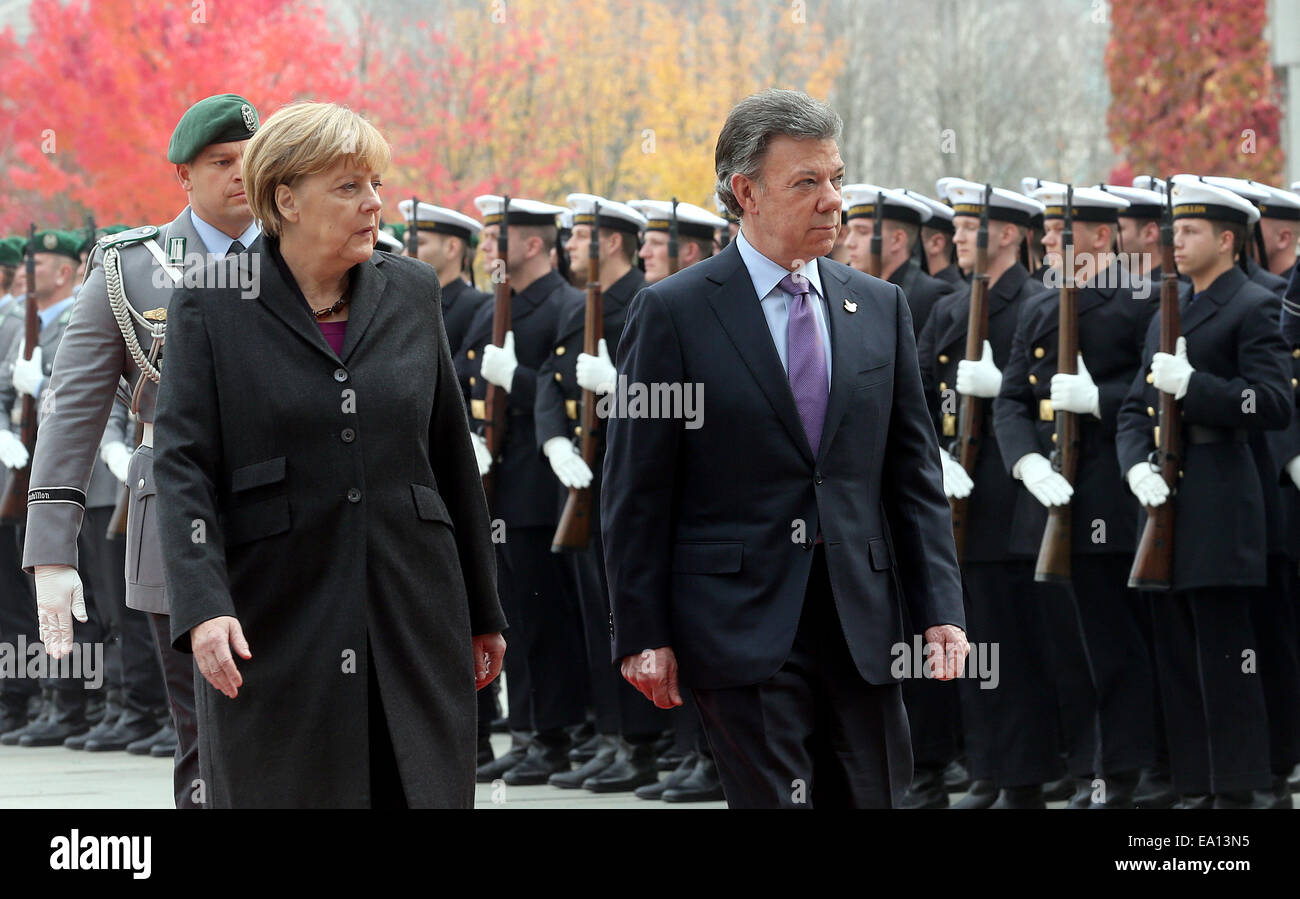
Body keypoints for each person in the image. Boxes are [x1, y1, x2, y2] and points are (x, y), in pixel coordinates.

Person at [603, 89, 968, 808]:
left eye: (837, 178)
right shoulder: (674, 311)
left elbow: (912, 475)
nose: (834, 200)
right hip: (737, 626)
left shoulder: (878, 306)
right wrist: (642, 630)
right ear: (747, 193)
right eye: (808, 182)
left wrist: (941, 609)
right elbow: (637, 489)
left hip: (862, 625)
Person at [151, 100, 505, 808]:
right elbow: (183, 463)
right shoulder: (211, 302)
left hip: (412, 609)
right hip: (275, 620)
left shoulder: (411, 291)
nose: (374, 203)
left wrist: (483, 609)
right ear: (286, 198)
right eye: (349, 187)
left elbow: (446, 452)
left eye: (374, 184)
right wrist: (203, 605)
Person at [22, 94, 262, 806]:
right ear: (183, 175)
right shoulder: (130, 268)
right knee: (204, 734)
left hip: (301, 515)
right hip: (180, 523)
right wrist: (53, 552)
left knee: (300, 727)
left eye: (252, 160)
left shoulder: (305, 250)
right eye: (222, 163)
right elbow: (70, 413)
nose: (241, 175)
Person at [1117, 175, 1291, 808]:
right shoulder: (1175, 307)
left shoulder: (1253, 306)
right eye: (1174, 230)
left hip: (1222, 502)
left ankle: (1240, 789)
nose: (1176, 241)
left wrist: (1198, 387)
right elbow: (1135, 408)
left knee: (1226, 657)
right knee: (1178, 659)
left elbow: (1271, 402)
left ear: (1227, 238)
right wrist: (1134, 466)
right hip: (1165, 505)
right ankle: (1195, 788)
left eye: (1190, 231)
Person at [995, 183, 1162, 808]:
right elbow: (1013, 398)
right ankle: (1087, 763)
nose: (1050, 242)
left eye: (1065, 232)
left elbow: (1154, 393)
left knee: (1114, 644)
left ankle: (1124, 772)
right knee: (1068, 648)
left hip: (1109, 495)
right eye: (1047, 232)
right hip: (1051, 495)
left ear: (1102, 237)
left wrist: (1100, 401)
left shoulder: (1137, 298)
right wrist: (1026, 460)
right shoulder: (1041, 307)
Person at [916, 179, 1064, 808]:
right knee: (971, 641)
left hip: (1011, 495)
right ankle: (985, 767)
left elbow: (1039, 398)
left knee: (1012, 644)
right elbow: (915, 396)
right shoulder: (951, 309)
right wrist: (936, 459)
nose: (956, 240)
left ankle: (1021, 777)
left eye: (971, 228)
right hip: (958, 494)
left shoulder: (1034, 303)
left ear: (1007, 234)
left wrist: (1000, 383)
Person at [456, 194, 588, 786]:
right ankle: (531, 731)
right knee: (516, 619)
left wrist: (520, 378)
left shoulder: (564, 306)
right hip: (501, 484)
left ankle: (555, 737)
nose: (487, 249)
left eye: (496, 239)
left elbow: (568, 399)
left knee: (545, 619)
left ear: (533, 245)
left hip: (544, 487)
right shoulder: (495, 311)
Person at [840, 184, 954, 338]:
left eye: (862, 232)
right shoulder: (847, 289)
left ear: (897, 240)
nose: (849, 243)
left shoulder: (930, 297)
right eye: (850, 231)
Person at [398, 199, 490, 354]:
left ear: (451, 248)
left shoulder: (477, 308)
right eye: (406, 245)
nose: (405, 254)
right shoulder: (403, 303)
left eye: (418, 244)